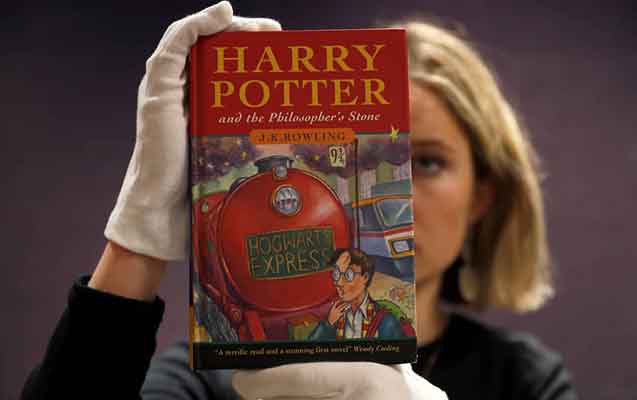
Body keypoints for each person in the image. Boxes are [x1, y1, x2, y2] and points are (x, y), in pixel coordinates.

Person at [20, 2, 578, 399]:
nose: (399, 191)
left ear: (482, 196)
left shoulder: (524, 380)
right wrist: (138, 241)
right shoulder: (207, 377)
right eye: (368, 156)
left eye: (427, 162)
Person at [309, 248, 406, 340]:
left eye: (349, 275)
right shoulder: (334, 317)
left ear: (365, 277)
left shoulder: (386, 321)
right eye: (336, 274)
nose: (339, 282)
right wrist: (328, 324)